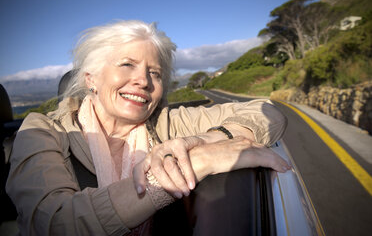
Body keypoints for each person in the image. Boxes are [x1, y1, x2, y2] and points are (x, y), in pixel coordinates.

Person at [6, 20, 290, 236]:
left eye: (154, 72)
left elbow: (269, 112)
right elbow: (54, 223)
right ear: (91, 78)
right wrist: (194, 163)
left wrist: (207, 140)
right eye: (127, 64)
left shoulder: (166, 124)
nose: (143, 80)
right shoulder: (43, 132)